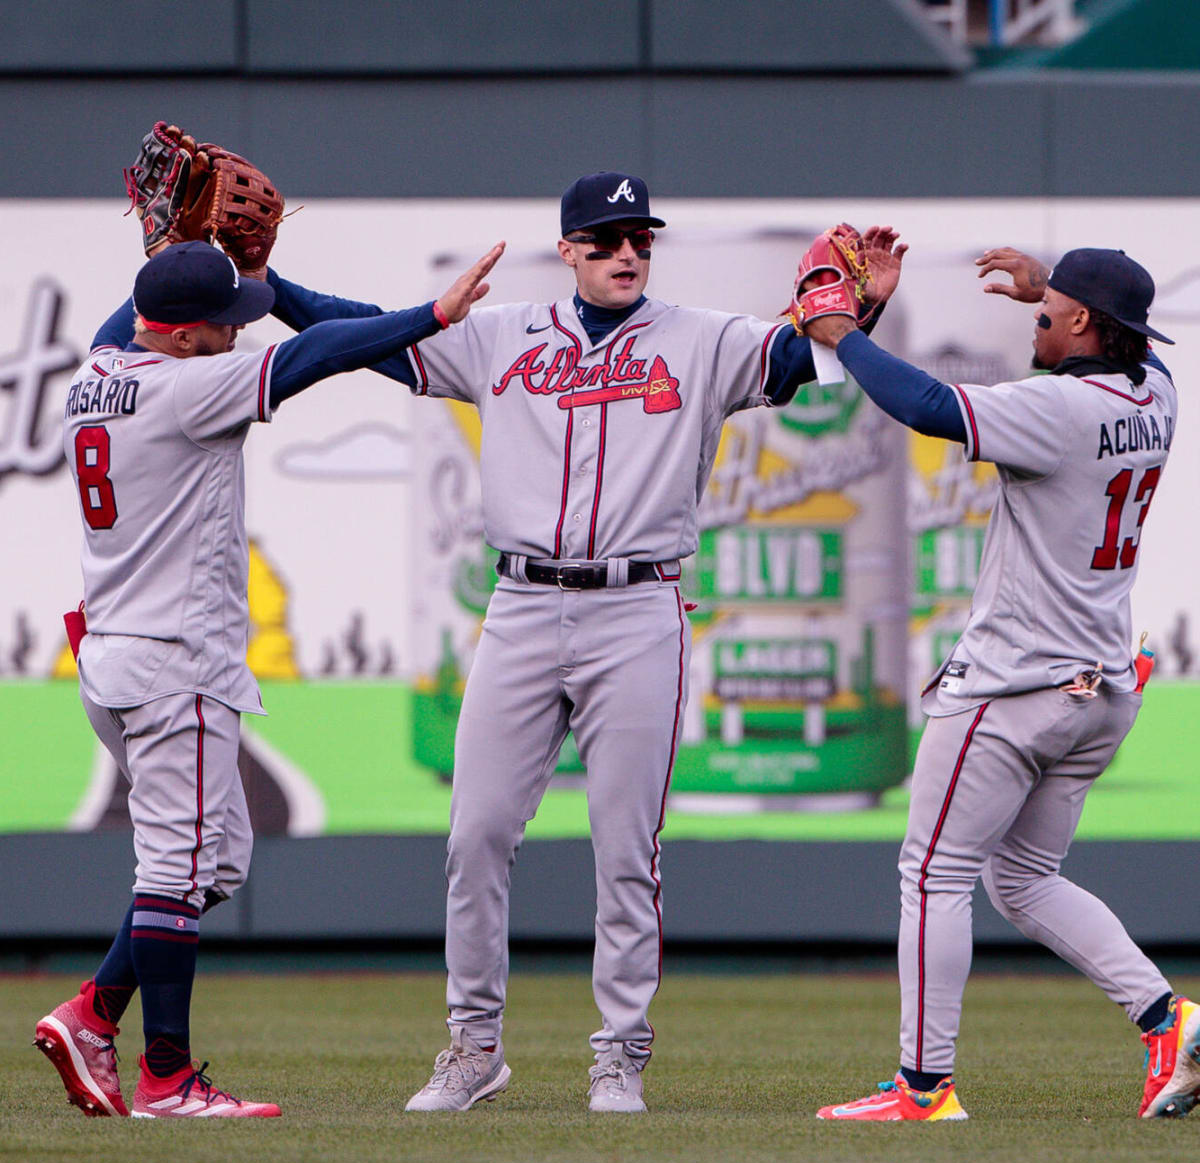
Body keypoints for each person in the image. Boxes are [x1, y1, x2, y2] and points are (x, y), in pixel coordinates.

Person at [264, 173, 908, 1112]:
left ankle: (619, 1054)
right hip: (521, 606)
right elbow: (360, 329)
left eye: (638, 238)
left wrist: (867, 308)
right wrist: (268, 282)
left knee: (625, 847)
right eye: (603, 239)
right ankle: (472, 1047)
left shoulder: (704, 339)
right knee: (476, 833)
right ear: (567, 248)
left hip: (637, 611)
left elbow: (802, 356)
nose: (625, 253)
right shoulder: (500, 334)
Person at [35, 237, 502, 1119]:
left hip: (116, 657)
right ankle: (166, 1078)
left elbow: (135, 315)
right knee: (176, 870)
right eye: (221, 325)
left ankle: (94, 1011)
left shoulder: (96, 372)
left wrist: (163, 239)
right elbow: (313, 353)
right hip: (178, 664)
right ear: (179, 336)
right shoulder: (187, 386)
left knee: (217, 862)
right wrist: (432, 318)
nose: (235, 336)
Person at [802, 245, 1196, 1121]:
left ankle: (923, 1088)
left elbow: (929, 406)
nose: (1036, 314)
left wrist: (839, 330)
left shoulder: (1058, 406)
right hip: (1100, 692)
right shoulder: (1156, 393)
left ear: (1087, 323)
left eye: (1051, 306)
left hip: (1015, 686)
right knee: (1022, 877)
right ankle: (1170, 1018)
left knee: (933, 875)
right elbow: (1139, 346)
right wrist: (1056, 288)